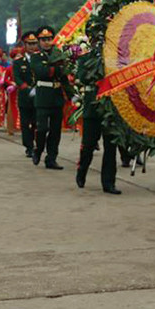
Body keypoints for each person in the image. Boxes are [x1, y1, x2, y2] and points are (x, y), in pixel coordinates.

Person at [74, 48, 121, 194]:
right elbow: (82, 77)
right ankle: (82, 171)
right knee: (88, 145)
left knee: (110, 147)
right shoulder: (85, 58)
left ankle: (108, 182)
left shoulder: (117, 56)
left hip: (111, 108)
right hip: (92, 107)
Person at [30, 26, 71, 170]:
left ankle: (51, 158)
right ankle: (38, 149)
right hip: (43, 97)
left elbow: (64, 75)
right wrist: (56, 67)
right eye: (43, 40)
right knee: (42, 128)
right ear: (39, 41)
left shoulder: (59, 54)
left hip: (57, 96)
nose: (47, 42)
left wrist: (72, 95)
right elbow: (41, 72)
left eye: (49, 39)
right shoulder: (36, 56)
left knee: (55, 130)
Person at [14, 32, 38, 157]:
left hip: (39, 96)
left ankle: (37, 144)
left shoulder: (41, 58)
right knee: (25, 123)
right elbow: (17, 78)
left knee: (36, 122)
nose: (32, 46)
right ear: (25, 44)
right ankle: (28, 146)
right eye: (29, 44)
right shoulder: (18, 62)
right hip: (25, 97)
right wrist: (28, 89)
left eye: (34, 43)